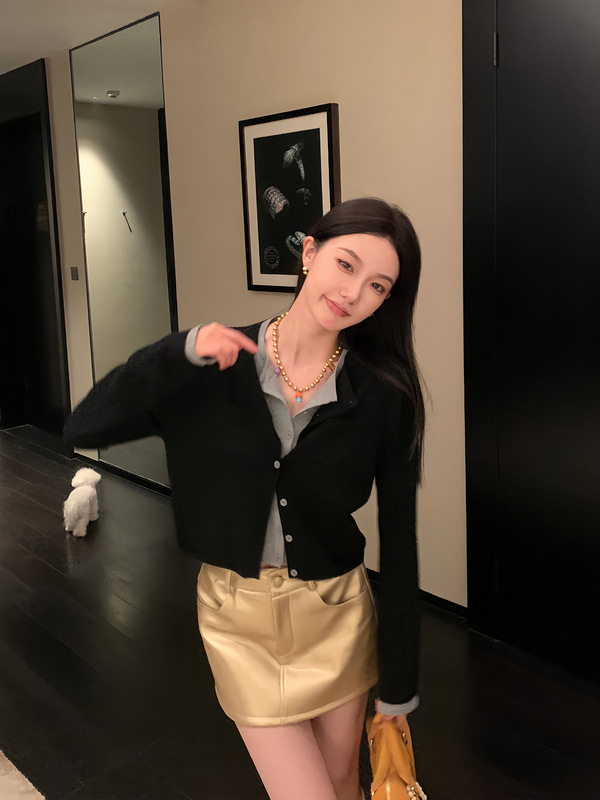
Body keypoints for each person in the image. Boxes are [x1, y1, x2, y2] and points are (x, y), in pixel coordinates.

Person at [63, 197, 425, 800]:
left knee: (342, 783)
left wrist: (399, 687)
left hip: (337, 614)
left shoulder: (384, 394)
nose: (353, 292)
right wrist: (177, 351)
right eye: (345, 264)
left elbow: (402, 541)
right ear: (309, 253)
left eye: (377, 285)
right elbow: (84, 425)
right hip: (239, 620)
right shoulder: (215, 363)